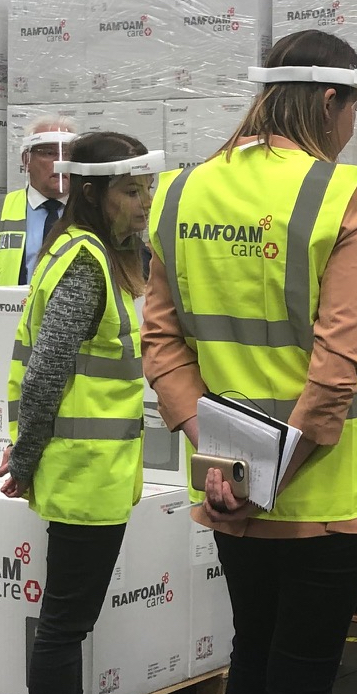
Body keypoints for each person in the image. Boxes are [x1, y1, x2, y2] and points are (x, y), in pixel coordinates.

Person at [142, 29, 357, 694]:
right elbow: (337, 367)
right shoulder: (338, 194)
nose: (349, 127)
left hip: (227, 486)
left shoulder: (180, 191)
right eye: (352, 110)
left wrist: (228, 466)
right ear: (331, 98)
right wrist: (271, 474)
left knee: (251, 647)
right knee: (304, 665)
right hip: (327, 488)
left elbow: (162, 347)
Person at [0, 131, 159, 694]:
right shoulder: (88, 264)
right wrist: (24, 460)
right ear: (93, 194)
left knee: (65, 626)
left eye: (148, 188)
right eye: (130, 191)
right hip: (83, 477)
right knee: (64, 629)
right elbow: (45, 375)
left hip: (89, 475)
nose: (144, 202)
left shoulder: (87, 252)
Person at [0, 115, 79, 285]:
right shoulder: (4, 210)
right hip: (10, 310)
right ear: (26, 160)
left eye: (68, 154)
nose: (61, 162)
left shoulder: (94, 211)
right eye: (50, 153)